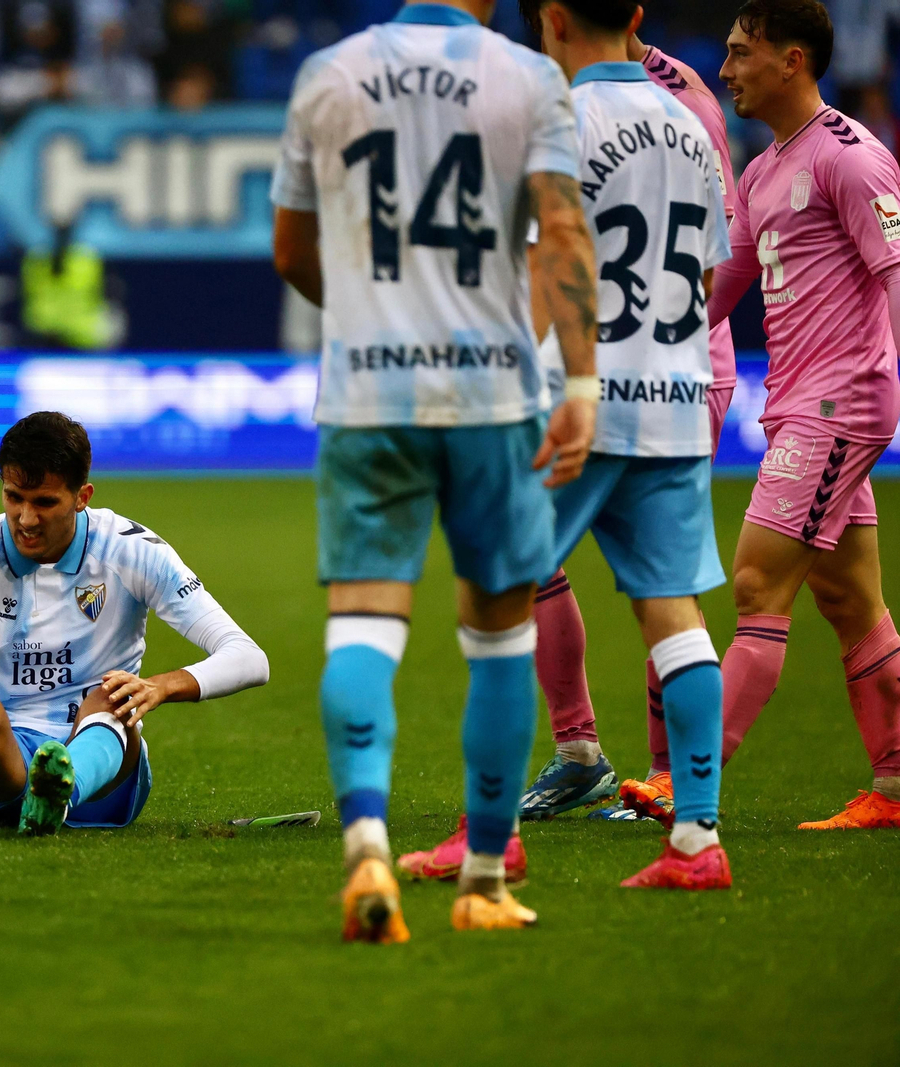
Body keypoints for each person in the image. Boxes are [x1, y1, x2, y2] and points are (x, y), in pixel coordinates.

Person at [271, 0, 600, 939]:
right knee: (500, 632)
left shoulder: (326, 75)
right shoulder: (528, 78)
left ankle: (368, 843)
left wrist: (374, 319)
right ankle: (486, 880)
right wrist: (580, 378)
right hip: (493, 396)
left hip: (368, 396)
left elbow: (292, 249)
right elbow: (564, 234)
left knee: (363, 628)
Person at [509, 0, 736, 887]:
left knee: (498, 589)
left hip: (579, 397)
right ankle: (698, 838)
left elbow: (546, 263)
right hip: (676, 398)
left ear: (553, 19)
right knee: (674, 615)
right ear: (637, 16)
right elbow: (712, 271)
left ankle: (489, 834)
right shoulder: (690, 121)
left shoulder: (556, 116)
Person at [704, 0, 900, 830]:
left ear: (791, 61)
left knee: (755, 580)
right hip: (798, 404)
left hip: (842, 399)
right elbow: (723, 289)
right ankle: (892, 789)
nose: (726, 70)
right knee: (852, 602)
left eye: (742, 53)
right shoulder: (760, 172)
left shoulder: (855, 160)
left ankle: (689, 781)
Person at [0, 411, 269, 838]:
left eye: (44, 502)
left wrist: (162, 686)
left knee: (111, 694)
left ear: (82, 496)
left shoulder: (133, 551)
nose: (26, 519)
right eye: (14, 497)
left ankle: (58, 792)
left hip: (102, 769)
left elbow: (249, 658)